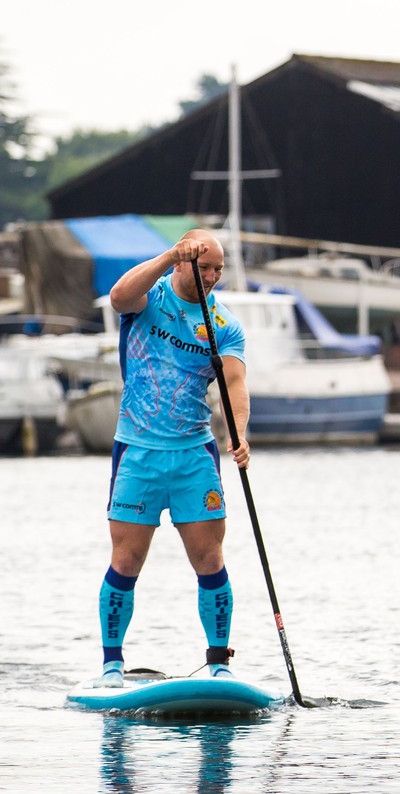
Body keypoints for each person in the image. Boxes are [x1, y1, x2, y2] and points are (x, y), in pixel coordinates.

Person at [94, 229, 250, 687]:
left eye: (218, 269)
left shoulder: (224, 325)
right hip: (137, 451)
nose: (213, 276)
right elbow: (118, 295)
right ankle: (111, 665)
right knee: (126, 560)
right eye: (204, 267)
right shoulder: (149, 298)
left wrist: (240, 431)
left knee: (210, 557)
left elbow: (235, 383)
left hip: (193, 455)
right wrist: (168, 255)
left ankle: (219, 661)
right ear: (183, 263)